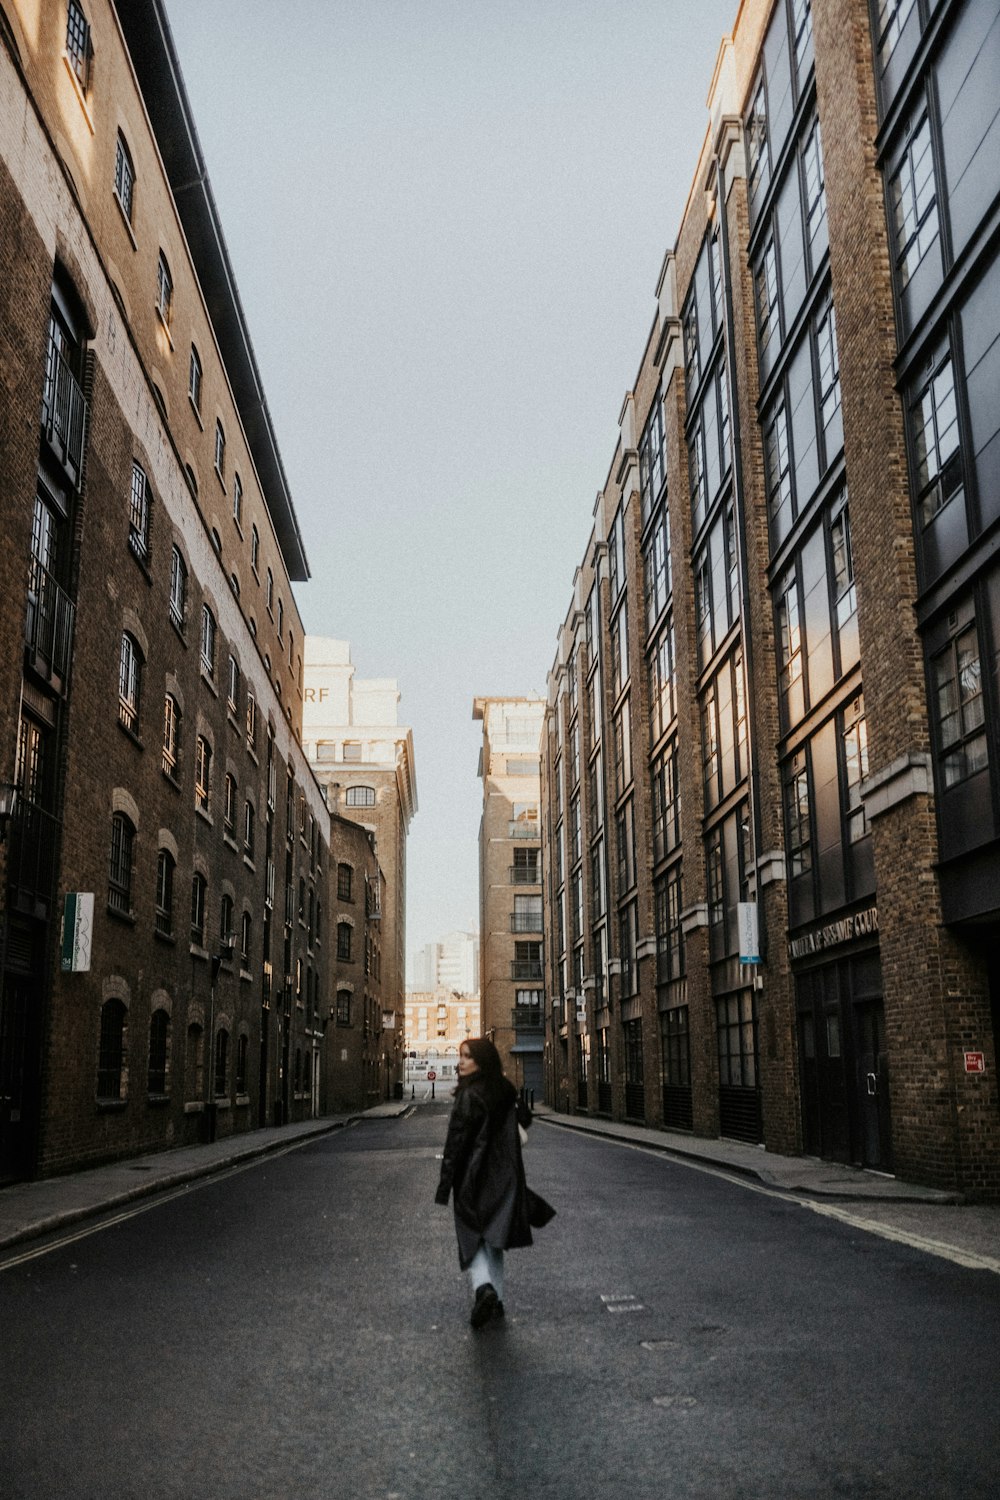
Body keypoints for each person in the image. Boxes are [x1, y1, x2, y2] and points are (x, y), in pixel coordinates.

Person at [434, 1037, 534, 1328]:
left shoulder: (468, 1096)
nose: (460, 1062)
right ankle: (498, 1301)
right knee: (494, 1239)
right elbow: (525, 1119)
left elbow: (455, 1144)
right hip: (505, 1178)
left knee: (471, 1237)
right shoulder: (503, 1088)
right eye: (459, 1056)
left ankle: (483, 1288)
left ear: (481, 1060)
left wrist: (445, 1187)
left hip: (473, 1177)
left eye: (466, 1056)